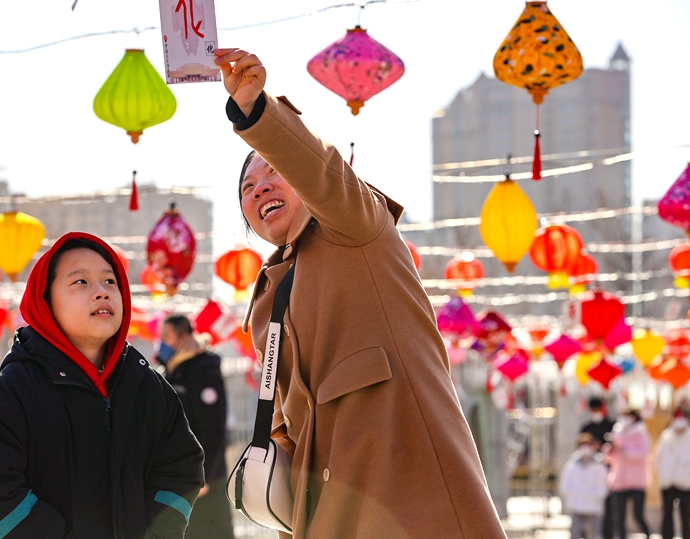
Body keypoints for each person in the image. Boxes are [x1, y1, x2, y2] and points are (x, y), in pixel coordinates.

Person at [213, 47, 506, 538]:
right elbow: (287, 418)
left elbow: (319, 172)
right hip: (331, 508)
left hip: (409, 484)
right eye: (248, 187)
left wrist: (256, 111)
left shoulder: (353, 226)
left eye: (272, 172)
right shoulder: (267, 300)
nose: (260, 187)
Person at [0, 232, 204, 539]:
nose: (101, 292)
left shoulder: (146, 385)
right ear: (46, 301)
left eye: (110, 281)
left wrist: (157, 534)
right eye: (80, 282)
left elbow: (181, 467)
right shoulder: (19, 385)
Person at [158, 314, 235, 539]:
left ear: (184, 337)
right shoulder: (173, 372)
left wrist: (204, 476)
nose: (161, 343)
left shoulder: (203, 372)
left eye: (166, 337)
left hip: (205, 479)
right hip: (180, 476)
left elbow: (214, 429)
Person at [607, 409, 651, 539]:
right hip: (619, 480)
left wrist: (624, 450)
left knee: (638, 514)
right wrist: (610, 450)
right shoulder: (617, 432)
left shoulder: (641, 433)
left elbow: (643, 454)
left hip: (637, 480)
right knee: (619, 516)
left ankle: (648, 535)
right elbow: (610, 457)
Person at [559, 433, 610, 539]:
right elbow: (565, 483)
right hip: (576, 505)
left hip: (593, 506)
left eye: (588, 444)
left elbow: (604, 484)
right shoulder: (572, 465)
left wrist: (597, 496)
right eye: (582, 445)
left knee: (595, 534)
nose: (585, 448)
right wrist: (570, 495)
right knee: (575, 533)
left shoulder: (599, 464)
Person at [581, 397, 615, 539]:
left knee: (608, 508)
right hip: (589, 473)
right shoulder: (586, 427)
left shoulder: (612, 425)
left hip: (607, 471)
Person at [654, 408, 690, 539]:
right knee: (667, 514)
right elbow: (657, 458)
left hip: (686, 483)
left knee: (686, 515)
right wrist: (662, 472)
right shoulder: (666, 436)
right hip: (668, 481)